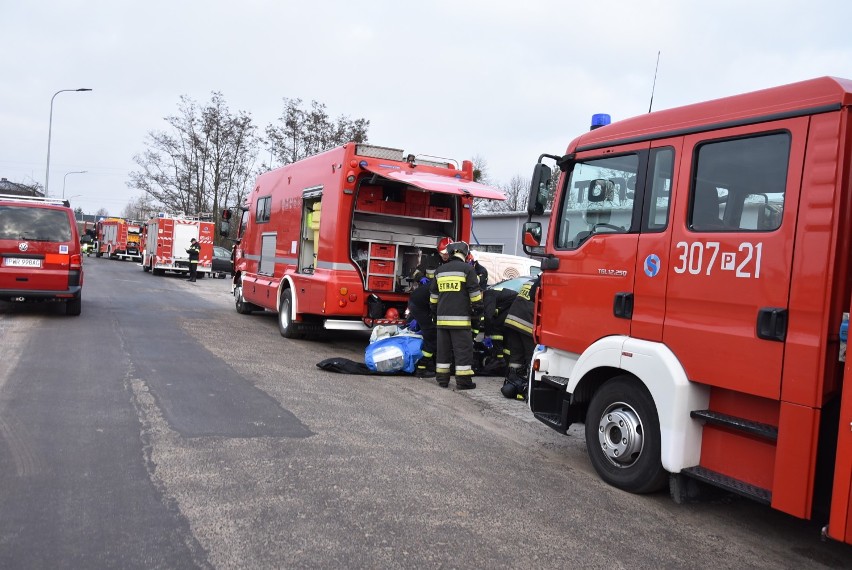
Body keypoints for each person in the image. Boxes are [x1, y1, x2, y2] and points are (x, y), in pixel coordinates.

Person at [430, 241, 483, 390]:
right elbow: (474, 293)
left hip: (442, 321)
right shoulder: (467, 269)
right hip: (460, 322)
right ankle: (463, 381)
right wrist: (478, 310)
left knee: (443, 352)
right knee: (463, 352)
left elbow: (433, 296)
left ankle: (442, 379)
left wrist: (434, 312)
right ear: (464, 254)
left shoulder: (440, 270)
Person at [501, 276, 540, 400]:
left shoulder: (530, 281)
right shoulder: (544, 284)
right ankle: (529, 388)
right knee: (531, 356)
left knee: (516, 355)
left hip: (512, 320)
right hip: (526, 323)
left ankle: (512, 382)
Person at [407, 277, 437, 377]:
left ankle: (430, 364)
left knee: (430, 333)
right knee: (432, 337)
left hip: (417, 302)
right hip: (419, 306)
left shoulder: (442, 278)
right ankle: (421, 369)